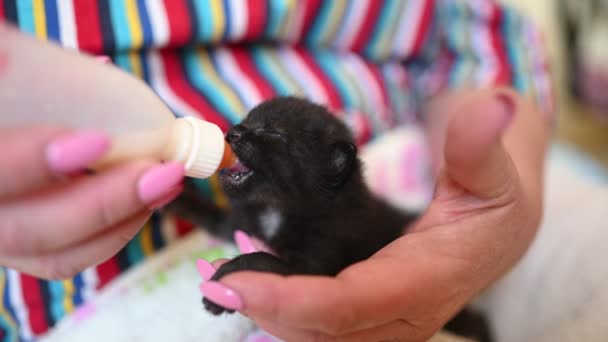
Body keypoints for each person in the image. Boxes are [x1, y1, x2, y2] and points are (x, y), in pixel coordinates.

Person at [0, 1, 553, 341]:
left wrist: (503, 203)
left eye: (269, 141)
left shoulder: (337, 226)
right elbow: (229, 223)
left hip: (433, 224)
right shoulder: (266, 198)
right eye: (244, 127)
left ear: (332, 170)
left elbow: (476, 37)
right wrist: (179, 198)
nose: (237, 139)